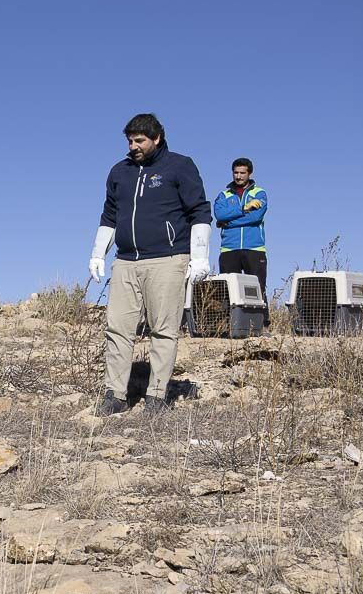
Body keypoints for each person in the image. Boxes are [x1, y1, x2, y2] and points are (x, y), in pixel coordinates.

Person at [88, 113, 211, 415]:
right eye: (130, 140)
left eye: (140, 140)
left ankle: (156, 396)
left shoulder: (180, 166)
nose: (133, 146)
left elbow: (200, 211)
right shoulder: (120, 172)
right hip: (126, 261)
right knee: (118, 329)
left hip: (168, 261)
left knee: (163, 330)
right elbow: (109, 216)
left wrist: (200, 257)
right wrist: (96, 253)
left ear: (157, 138)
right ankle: (115, 395)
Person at [213, 158, 269, 327]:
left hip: (254, 248)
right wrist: (244, 208)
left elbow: (256, 217)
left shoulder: (259, 193)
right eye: (236, 172)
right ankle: (226, 324)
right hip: (229, 248)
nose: (238, 176)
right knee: (227, 289)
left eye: (242, 173)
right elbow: (219, 215)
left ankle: (262, 324)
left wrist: (228, 221)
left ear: (249, 173)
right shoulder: (224, 195)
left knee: (258, 287)